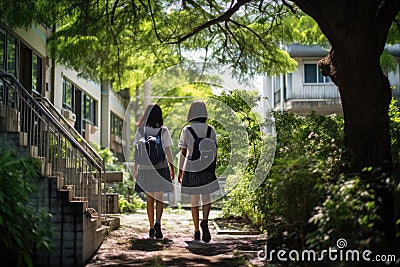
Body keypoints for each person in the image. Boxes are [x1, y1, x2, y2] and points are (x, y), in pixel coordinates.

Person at [178, 100, 219, 242]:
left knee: (194, 200)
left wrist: (180, 170)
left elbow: (184, 152)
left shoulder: (186, 130)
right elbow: (214, 150)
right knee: (206, 198)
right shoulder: (211, 130)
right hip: (207, 167)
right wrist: (214, 167)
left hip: (192, 166)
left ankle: (196, 231)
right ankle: (205, 221)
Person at [132, 103, 175, 239]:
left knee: (149, 200)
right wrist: (172, 167)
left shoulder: (140, 131)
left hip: (145, 169)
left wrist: (135, 169)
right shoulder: (163, 131)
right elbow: (168, 151)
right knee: (159, 199)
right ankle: (158, 223)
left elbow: (136, 151)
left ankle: (151, 228)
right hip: (161, 167)